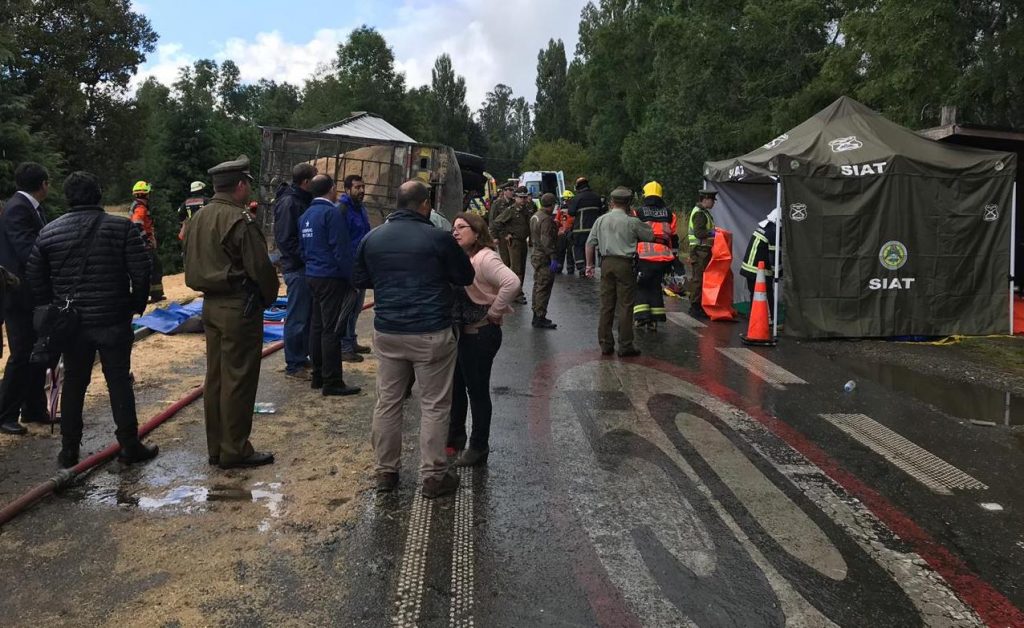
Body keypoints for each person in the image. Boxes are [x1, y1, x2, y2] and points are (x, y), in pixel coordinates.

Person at [26, 171, 157, 467]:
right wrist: (135, 305)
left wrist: (55, 307)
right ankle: (129, 445)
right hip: (113, 319)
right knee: (119, 382)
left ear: (68, 197)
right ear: (97, 195)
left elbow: (34, 277)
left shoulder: (49, 232)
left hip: (71, 324)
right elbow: (141, 269)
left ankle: (69, 450)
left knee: (74, 383)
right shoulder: (120, 228)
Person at [354, 180, 474, 498]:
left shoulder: (373, 238)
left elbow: (360, 277)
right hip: (431, 330)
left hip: (389, 330)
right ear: (425, 204)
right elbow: (465, 276)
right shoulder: (438, 239)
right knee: (434, 405)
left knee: (388, 402)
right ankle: (433, 476)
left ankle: (385, 471)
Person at [184, 155, 279, 469]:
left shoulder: (198, 217)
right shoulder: (239, 219)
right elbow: (260, 269)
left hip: (209, 305)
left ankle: (218, 447)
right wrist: (268, 297)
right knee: (238, 379)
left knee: (216, 379)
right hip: (239, 306)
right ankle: (235, 449)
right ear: (240, 185)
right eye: (248, 183)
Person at [447, 212, 520, 466]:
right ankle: (455, 437)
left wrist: (494, 312)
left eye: (462, 227)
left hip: (480, 334)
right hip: (462, 334)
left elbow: (512, 282)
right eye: (454, 227)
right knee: (457, 387)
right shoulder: (463, 257)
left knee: (476, 391)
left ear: (477, 232)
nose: (455, 232)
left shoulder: (485, 257)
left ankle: (479, 447)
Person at [0, 162, 50, 435]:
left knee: (35, 352)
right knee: (21, 354)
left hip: (27, 295)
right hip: (18, 295)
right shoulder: (19, 209)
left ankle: (33, 408)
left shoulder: (26, 206)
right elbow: (27, 250)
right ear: (43, 184)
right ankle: (5, 413)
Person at [299, 175, 361, 397]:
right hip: (331, 277)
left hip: (313, 275)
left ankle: (318, 375)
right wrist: (352, 278)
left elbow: (302, 249)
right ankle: (332, 380)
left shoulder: (306, 215)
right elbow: (341, 250)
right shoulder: (331, 213)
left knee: (317, 326)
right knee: (332, 329)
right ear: (332, 189)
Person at [585, 187, 654, 357]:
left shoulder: (601, 220)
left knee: (606, 305)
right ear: (629, 203)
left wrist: (589, 265)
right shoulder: (632, 221)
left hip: (606, 263)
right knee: (625, 305)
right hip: (625, 264)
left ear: (612, 202)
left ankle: (605, 344)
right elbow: (650, 236)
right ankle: (625, 345)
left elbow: (590, 243)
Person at [273, 163, 317, 379]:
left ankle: (301, 357)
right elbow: (285, 239)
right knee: (297, 317)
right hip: (297, 268)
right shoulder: (290, 202)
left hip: (304, 266)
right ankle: (294, 365)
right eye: (315, 179)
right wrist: (305, 257)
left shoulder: (301, 200)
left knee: (306, 315)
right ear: (306, 182)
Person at [633, 181, 678, 330]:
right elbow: (673, 238)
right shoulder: (670, 213)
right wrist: (674, 260)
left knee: (641, 284)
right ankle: (654, 319)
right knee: (655, 285)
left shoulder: (638, 212)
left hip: (644, 254)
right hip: (664, 256)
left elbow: (633, 233)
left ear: (645, 194)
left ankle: (641, 317)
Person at [340, 174, 372, 363]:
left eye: (363, 187)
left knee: (357, 308)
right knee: (348, 308)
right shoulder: (343, 210)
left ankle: (351, 340)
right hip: (349, 267)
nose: (361, 190)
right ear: (347, 189)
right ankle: (344, 346)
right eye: (357, 187)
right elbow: (341, 241)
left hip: (360, 266)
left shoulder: (361, 209)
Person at [490, 186, 532, 304]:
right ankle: (515, 293)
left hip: (523, 241)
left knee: (521, 268)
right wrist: (505, 234)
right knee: (515, 268)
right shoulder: (511, 210)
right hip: (514, 242)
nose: (523, 200)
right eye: (520, 197)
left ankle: (518, 291)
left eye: (525, 197)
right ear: (516, 198)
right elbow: (496, 222)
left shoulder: (526, 209)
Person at [740, 208, 780, 319]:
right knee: (767, 295)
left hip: (749, 269)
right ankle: (770, 318)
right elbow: (774, 257)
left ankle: (755, 317)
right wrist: (778, 272)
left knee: (755, 295)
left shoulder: (764, 227)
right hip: (759, 271)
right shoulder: (773, 232)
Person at [130, 180, 165, 303]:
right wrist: (146, 240)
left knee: (154, 267)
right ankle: (152, 295)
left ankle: (156, 294)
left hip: (142, 243)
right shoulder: (140, 208)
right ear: (146, 194)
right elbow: (137, 224)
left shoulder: (138, 206)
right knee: (152, 268)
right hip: (144, 244)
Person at [530, 193, 560, 329]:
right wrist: (553, 257)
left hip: (536, 254)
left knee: (537, 285)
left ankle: (536, 314)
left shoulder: (535, 216)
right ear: (552, 205)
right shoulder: (546, 219)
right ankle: (540, 317)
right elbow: (546, 241)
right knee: (544, 287)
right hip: (544, 257)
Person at [687, 189, 718, 319]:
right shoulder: (700, 214)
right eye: (712, 200)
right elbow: (699, 233)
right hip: (700, 250)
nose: (713, 203)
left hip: (702, 250)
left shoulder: (703, 212)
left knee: (700, 279)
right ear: (705, 199)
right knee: (698, 279)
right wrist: (714, 233)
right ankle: (695, 307)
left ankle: (698, 305)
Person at [568, 177, 605, 275]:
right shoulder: (596, 197)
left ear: (578, 186)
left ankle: (581, 268)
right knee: (591, 247)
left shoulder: (577, 198)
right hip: (593, 229)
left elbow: (571, 212)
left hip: (580, 229)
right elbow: (601, 211)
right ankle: (590, 266)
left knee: (578, 247)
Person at [489, 183, 515, 263]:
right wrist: (494, 237)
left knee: (514, 261)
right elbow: (492, 221)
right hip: (502, 235)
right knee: (505, 260)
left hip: (512, 235)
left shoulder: (513, 203)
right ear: (504, 191)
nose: (512, 192)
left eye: (512, 190)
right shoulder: (497, 204)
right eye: (510, 190)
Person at [555, 189, 576, 274]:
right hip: (565, 233)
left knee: (566, 251)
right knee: (564, 251)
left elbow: (556, 221)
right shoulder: (568, 209)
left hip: (567, 233)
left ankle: (563, 268)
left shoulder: (563, 209)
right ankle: (567, 268)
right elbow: (557, 221)